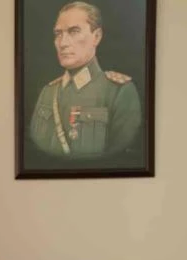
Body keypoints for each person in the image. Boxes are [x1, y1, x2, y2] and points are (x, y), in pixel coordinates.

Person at [29, 1, 141, 158]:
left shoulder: (119, 92)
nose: (63, 43)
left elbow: (118, 157)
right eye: (58, 34)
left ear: (96, 37)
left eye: (74, 31)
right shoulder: (48, 92)